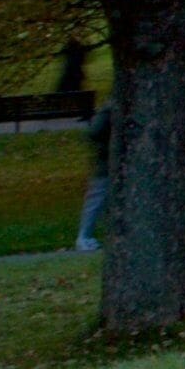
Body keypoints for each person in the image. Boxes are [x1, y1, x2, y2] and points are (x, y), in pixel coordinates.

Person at [74, 92, 115, 252]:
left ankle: (95, 235)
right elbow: (94, 132)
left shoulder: (112, 107)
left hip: (109, 161)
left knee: (104, 200)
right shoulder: (110, 109)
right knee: (97, 199)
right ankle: (84, 237)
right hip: (105, 162)